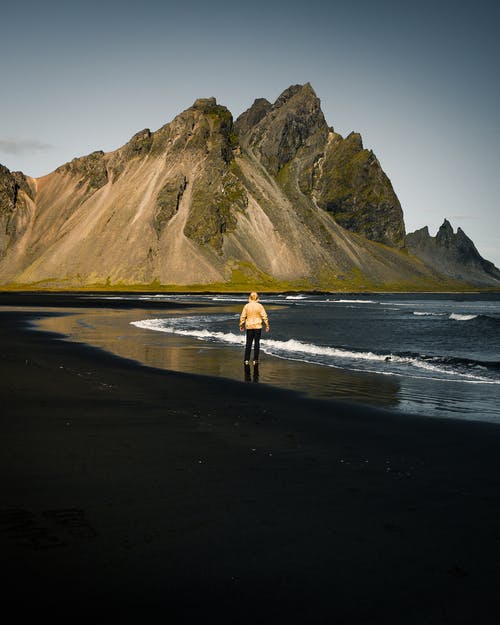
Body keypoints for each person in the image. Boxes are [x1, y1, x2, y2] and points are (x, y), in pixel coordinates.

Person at [239, 292, 270, 365]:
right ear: (257, 297)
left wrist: (241, 325)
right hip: (257, 326)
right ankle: (255, 360)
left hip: (249, 326)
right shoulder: (260, 306)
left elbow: (243, 316)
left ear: (250, 297)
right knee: (256, 343)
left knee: (248, 343)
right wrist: (267, 325)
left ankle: (246, 359)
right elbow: (264, 316)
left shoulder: (246, 306)